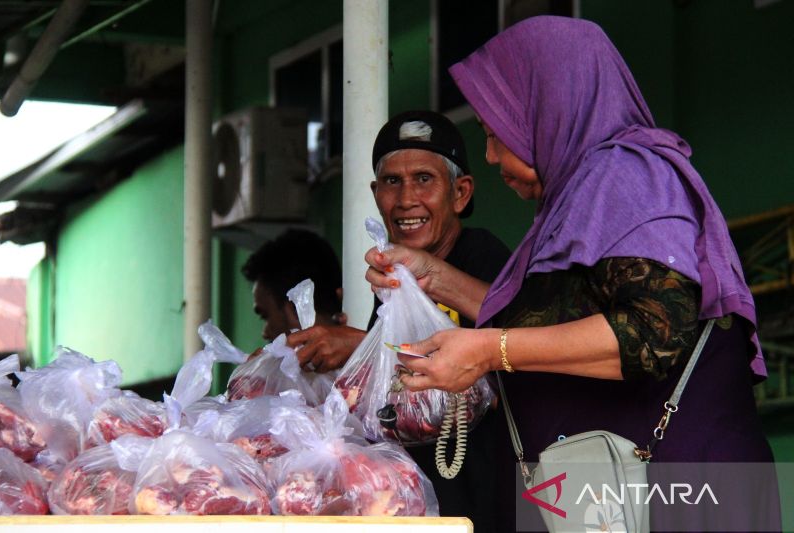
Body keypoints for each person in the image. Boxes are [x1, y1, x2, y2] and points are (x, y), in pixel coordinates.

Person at [366, 16, 778, 531]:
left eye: (498, 134)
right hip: (614, 497)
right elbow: (551, 321)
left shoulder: (629, 175)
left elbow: (651, 333)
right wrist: (436, 276)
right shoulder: (579, 195)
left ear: (551, 110)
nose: (492, 156)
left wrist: (488, 350)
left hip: (680, 495)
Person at [288, 110, 514, 531]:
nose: (406, 198)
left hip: (482, 503)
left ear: (461, 193)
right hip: (414, 504)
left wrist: (358, 346)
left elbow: (505, 364)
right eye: (392, 182)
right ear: (376, 194)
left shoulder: (484, 259)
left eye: (424, 179)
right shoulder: (396, 278)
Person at [241, 228, 344, 344]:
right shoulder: (363, 352)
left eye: (265, 316)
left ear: (297, 308)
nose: (265, 333)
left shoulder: (364, 355)